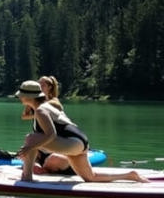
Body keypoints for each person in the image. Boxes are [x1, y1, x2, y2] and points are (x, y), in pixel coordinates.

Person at [14, 80, 145, 183]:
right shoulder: (46, 107)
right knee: (90, 178)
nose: (20, 98)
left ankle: (27, 177)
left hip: (72, 142)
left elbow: (51, 134)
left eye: (22, 95)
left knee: (30, 138)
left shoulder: (41, 110)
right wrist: (31, 147)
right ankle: (130, 175)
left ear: (29, 97)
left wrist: (30, 147)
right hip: (78, 142)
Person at [19, 75, 71, 173]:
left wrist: (39, 113)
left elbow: (54, 119)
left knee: (51, 158)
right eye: (39, 84)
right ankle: (37, 166)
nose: (40, 86)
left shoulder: (54, 102)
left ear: (49, 87)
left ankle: (46, 167)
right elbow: (24, 116)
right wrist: (31, 104)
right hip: (42, 144)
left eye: (42, 85)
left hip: (56, 144)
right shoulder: (35, 102)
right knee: (30, 140)